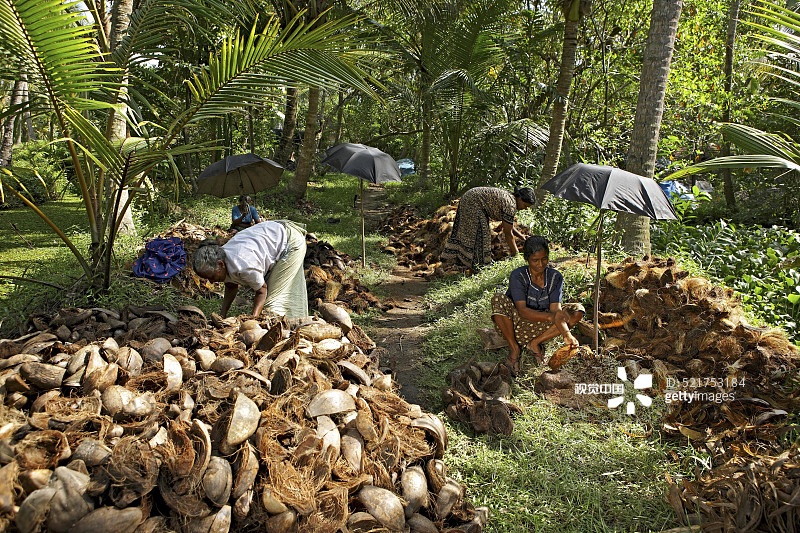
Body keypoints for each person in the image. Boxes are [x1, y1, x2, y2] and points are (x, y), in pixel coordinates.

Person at [490, 236, 585, 375]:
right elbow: (522, 310)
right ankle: (514, 348)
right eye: (535, 260)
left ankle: (535, 343)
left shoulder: (555, 277)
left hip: (541, 328)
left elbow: (556, 310)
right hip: (516, 327)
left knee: (577, 311)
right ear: (527, 259)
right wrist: (551, 317)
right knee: (498, 299)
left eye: (544, 259)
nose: (540, 264)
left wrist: (567, 334)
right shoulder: (518, 276)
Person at [192, 220, 308, 318]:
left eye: (212, 277)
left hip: (289, 241)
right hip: (274, 234)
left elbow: (261, 291)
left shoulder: (244, 265)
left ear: (221, 264)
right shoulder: (221, 257)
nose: (211, 282)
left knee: (275, 305)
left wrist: (253, 319)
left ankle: (294, 325)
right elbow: (231, 286)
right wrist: (222, 316)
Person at [440, 186, 535, 270]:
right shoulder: (510, 205)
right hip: (472, 202)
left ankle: (467, 262)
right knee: (482, 235)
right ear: (520, 199)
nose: (524, 208)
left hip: (470, 198)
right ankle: (480, 266)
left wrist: (521, 236)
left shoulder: (510, 199)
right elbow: (508, 233)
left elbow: (508, 225)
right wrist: (517, 255)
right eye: (525, 206)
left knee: (480, 234)